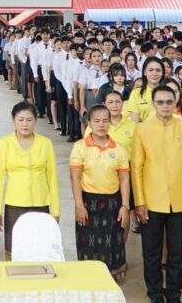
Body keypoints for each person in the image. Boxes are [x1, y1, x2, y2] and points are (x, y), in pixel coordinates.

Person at [132, 85, 182, 303]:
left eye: (169, 102)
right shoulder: (142, 129)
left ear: (176, 102)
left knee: (179, 252)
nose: (165, 106)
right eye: (160, 102)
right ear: (153, 104)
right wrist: (139, 202)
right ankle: (154, 293)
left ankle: (173, 292)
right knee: (151, 252)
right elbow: (137, 168)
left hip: (180, 201)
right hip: (151, 201)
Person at [0, 101, 61, 257]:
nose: (24, 124)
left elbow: (52, 179)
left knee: (40, 248)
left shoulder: (45, 143)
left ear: (35, 121)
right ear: (13, 121)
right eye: (20, 119)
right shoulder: (4, 143)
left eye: (29, 120)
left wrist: (55, 211)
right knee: (15, 249)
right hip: (14, 205)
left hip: (41, 205)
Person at [70, 104, 130, 282]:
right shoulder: (80, 147)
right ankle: (90, 280)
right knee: (88, 243)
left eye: (105, 120)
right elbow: (75, 179)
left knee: (113, 242)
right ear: (89, 123)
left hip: (113, 203)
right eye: (96, 121)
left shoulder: (119, 149)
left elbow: (124, 179)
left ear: (110, 123)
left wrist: (125, 206)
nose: (101, 124)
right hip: (89, 203)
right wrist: (79, 205)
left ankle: (111, 281)